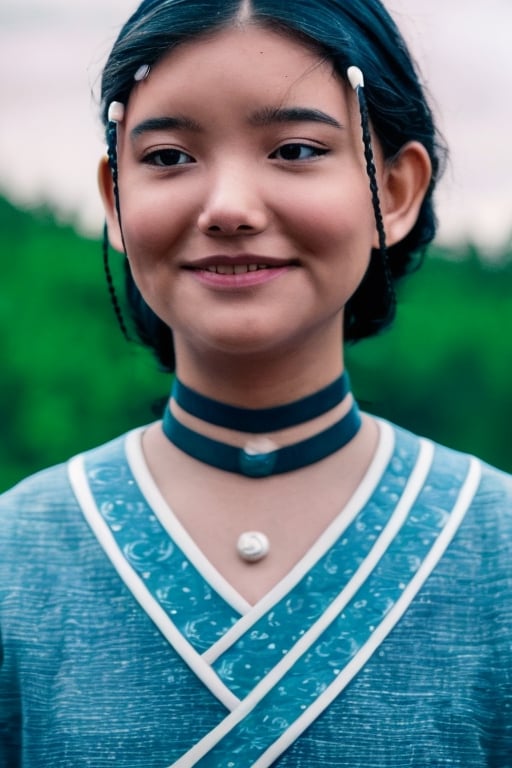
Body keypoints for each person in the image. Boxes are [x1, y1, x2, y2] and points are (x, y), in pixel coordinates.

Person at [1, 0, 511, 765]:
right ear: (114, 197)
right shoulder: (16, 555)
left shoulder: (496, 550)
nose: (230, 208)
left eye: (297, 149)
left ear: (397, 191)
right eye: (169, 157)